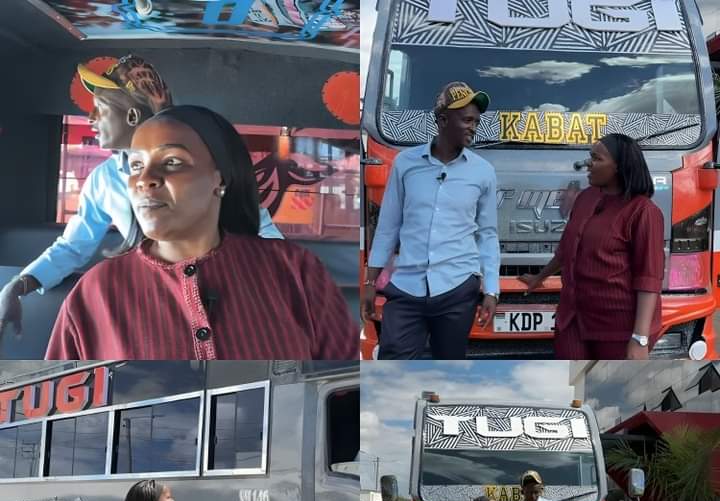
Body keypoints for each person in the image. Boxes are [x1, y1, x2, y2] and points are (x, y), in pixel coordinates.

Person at [0, 54, 281, 341]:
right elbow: (73, 247)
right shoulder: (104, 179)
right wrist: (18, 285)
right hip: (151, 305)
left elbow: (265, 237)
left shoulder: (201, 168)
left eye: (100, 109)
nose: (91, 119)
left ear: (132, 117)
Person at [46, 105, 358, 360]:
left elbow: (344, 392)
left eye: (171, 162)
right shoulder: (94, 293)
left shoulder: (294, 270)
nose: (145, 179)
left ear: (219, 178)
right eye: (136, 164)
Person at [361, 81, 500, 360]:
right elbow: (389, 225)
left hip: (457, 287)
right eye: (467, 120)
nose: (474, 127)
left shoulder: (483, 172)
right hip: (406, 287)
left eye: (477, 121)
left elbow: (487, 234)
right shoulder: (405, 163)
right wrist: (369, 282)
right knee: (395, 358)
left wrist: (492, 291)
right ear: (443, 119)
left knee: (449, 363)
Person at [519, 133, 664, 360]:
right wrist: (540, 277)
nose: (587, 164)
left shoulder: (644, 211)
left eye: (596, 159)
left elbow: (649, 279)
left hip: (618, 328)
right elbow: (568, 248)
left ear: (619, 167)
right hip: (573, 318)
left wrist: (640, 338)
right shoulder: (586, 198)